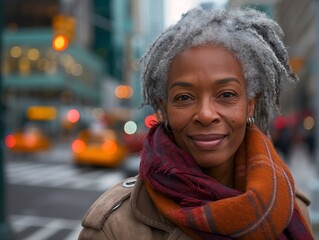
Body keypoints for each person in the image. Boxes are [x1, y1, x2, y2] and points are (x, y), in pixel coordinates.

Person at [79, 7, 314, 240]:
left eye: (226, 94)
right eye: (184, 97)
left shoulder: (292, 207)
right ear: (164, 109)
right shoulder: (113, 228)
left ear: (250, 104)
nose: (205, 114)